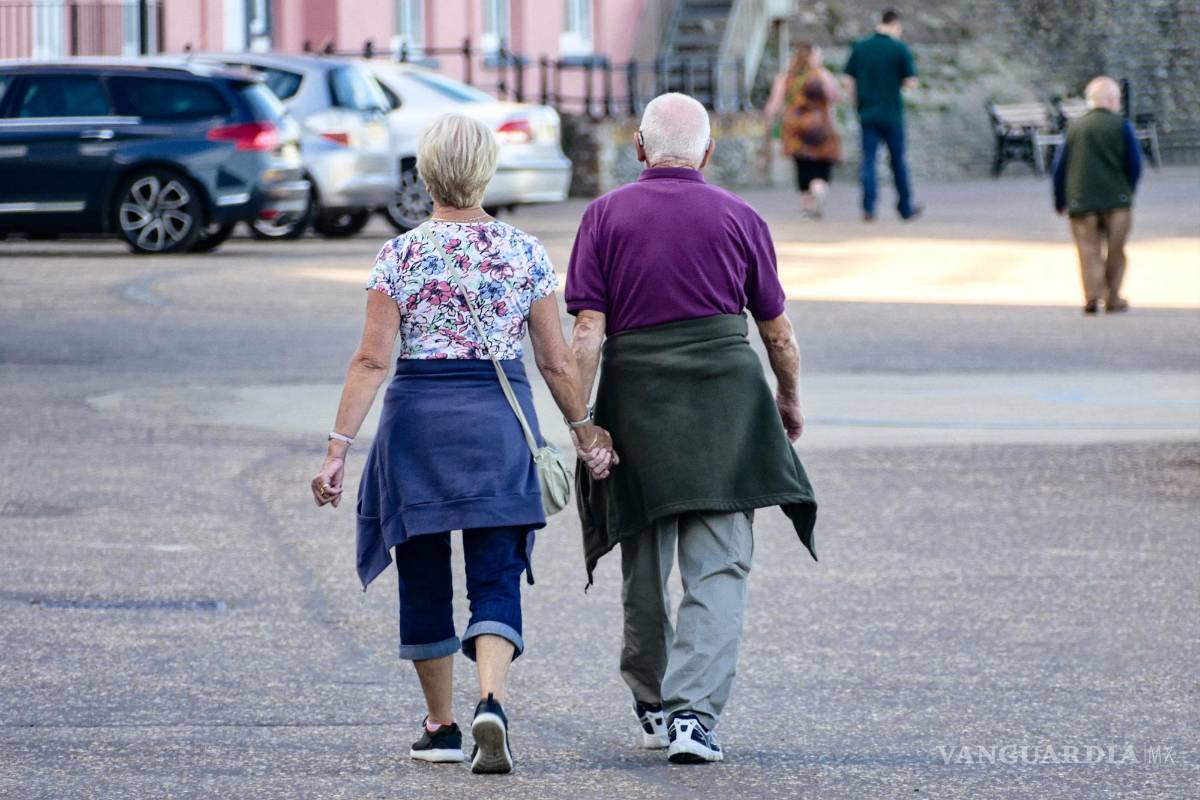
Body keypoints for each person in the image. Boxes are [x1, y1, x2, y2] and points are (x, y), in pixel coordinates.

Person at [310, 113, 616, 775]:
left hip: (415, 432)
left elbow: (370, 361)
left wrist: (337, 448)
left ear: (424, 174)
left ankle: (442, 726)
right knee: (496, 578)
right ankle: (493, 704)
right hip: (497, 430)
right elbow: (557, 363)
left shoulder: (400, 254)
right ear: (486, 172)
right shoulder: (525, 252)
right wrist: (584, 433)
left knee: (423, 577)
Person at [565, 93, 818, 765]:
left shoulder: (604, 215)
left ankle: (652, 702)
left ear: (640, 151)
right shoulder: (741, 216)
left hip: (636, 402)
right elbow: (778, 334)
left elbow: (587, 331)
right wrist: (787, 400)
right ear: (708, 153)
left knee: (642, 560)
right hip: (725, 408)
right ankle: (693, 719)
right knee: (719, 565)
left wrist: (583, 420)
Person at [1052, 76, 1143, 315]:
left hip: (1081, 200)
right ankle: (1113, 297)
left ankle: (1092, 296)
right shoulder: (1122, 126)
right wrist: (1128, 191)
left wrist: (1060, 200)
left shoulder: (1074, 127)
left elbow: (1059, 168)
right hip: (1117, 201)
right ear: (1112, 100)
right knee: (1116, 250)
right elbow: (1134, 164)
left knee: (1088, 249)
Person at [843, 8, 922, 221]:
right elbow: (911, 81)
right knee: (898, 161)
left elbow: (848, 80)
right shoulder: (899, 49)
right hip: (892, 115)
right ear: (895, 24)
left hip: (867, 113)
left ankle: (868, 207)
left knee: (868, 161)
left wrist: (856, 102)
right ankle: (905, 207)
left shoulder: (861, 47)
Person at [764, 41, 844, 219]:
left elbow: (774, 104)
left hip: (796, 128)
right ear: (813, 57)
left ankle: (807, 206)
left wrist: (768, 123)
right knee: (823, 163)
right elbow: (836, 97)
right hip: (822, 125)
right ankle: (819, 188)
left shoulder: (786, 77)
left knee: (802, 165)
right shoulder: (822, 75)